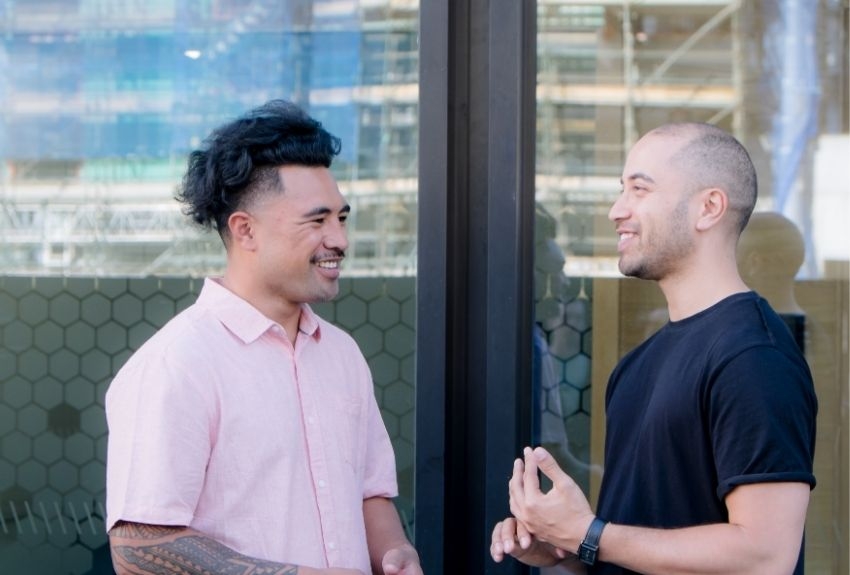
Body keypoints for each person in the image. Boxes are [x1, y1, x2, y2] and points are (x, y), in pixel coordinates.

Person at [105, 99, 422, 575]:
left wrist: (396, 554)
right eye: (317, 221)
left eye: (342, 218)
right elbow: (138, 546)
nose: (339, 240)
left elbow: (369, 492)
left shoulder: (342, 354)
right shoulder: (178, 362)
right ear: (245, 230)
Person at [490, 122, 817, 574]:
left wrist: (587, 533)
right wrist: (564, 550)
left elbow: (764, 558)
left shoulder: (754, 357)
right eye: (621, 189)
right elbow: (631, 548)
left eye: (639, 189)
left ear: (709, 207)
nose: (616, 210)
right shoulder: (636, 367)